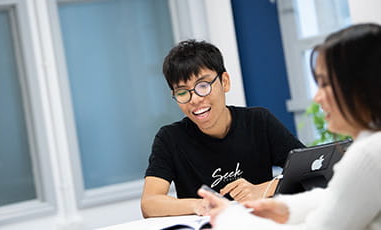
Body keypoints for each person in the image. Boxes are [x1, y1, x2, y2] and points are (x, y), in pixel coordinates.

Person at [198, 23, 381, 229]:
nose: (317, 98)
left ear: (361, 86)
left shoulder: (368, 154)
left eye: (325, 84)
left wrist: (230, 218)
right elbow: (340, 196)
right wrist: (284, 207)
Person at [141, 39, 304, 218]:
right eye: (182, 92)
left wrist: (262, 190)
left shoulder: (258, 121)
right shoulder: (170, 138)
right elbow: (149, 204)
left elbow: (309, 170)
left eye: (203, 86)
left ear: (224, 81)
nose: (194, 99)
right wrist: (201, 204)